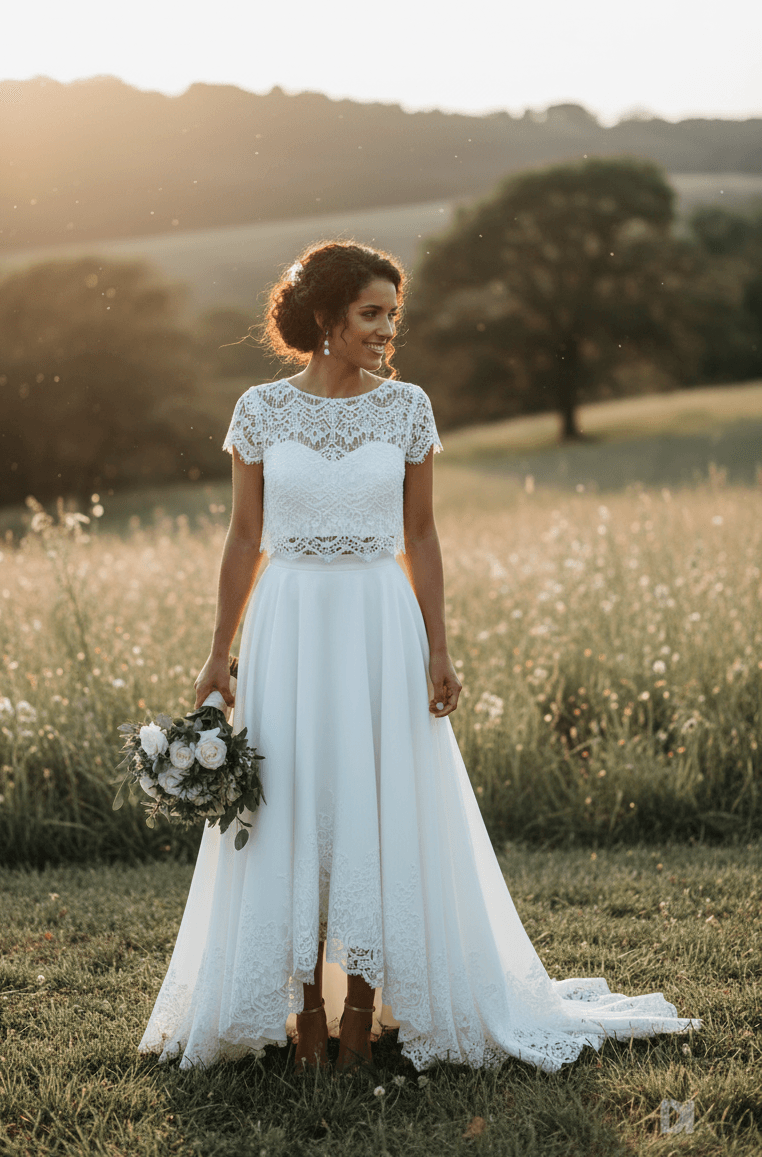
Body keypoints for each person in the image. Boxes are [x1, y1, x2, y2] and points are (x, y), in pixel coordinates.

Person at [139, 241, 701, 1075]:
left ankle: (362, 1014)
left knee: (380, 799)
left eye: (393, 315)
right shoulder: (259, 409)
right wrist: (219, 652)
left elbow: (423, 535)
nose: (386, 330)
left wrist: (440, 646)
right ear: (327, 317)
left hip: (379, 621)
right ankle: (304, 1018)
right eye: (371, 313)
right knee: (287, 802)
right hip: (288, 623)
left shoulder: (406, 409)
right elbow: (244, 537)